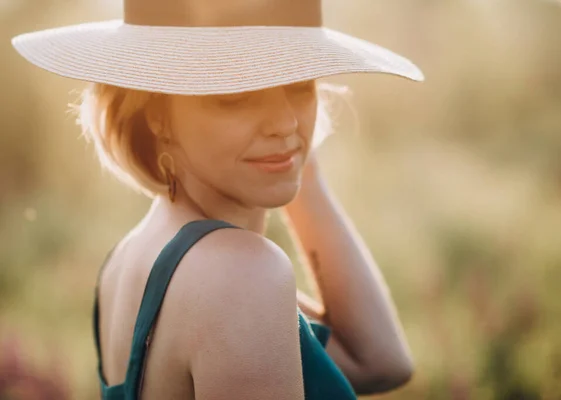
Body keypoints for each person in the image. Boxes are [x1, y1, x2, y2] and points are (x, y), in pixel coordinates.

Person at [11, 0, 424, 398]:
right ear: (158, 113)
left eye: (299, 86)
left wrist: (298, 164)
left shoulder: (131, 259)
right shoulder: (241, 275)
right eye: (236, 94)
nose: (284, 122)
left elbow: (378, 362)